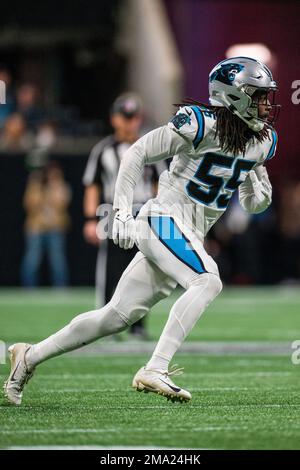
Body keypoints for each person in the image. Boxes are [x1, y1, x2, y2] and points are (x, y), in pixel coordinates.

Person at [4, 57, 279, 405]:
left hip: (188, 232)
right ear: (234, 96)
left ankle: (28, 356)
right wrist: (119, 213)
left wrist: (259, 188)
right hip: (162, 216)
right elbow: (137, 154)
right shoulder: (198, 123)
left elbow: (253, 204)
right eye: (258, 96)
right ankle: (155, 367)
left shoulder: (261, 140)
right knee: (208, 280)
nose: (266, 105)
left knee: (115, 316)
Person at [83, 92, 159, 339]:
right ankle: (105, 324)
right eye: (125, 117)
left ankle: (138, 325)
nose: (130, 123)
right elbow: (93, 185)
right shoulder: (104, 150)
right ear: (115, 119)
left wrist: (160, 215)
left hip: (143, 212)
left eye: (134, 117)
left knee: (143, 270)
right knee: (110, 270)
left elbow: (161, 185)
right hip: (112, 211)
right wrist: (90, 220)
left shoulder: (151, 147)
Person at [20, 161, 71, 287]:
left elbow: (61, 204)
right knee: (32, 259)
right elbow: (30, 205)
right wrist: (36, 184)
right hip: (36, 228)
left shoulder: (62, 187)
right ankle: (28, 288)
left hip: (55, 228)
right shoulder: (35, 187)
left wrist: (55, 185)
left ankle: (61, 288)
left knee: (57, 260)